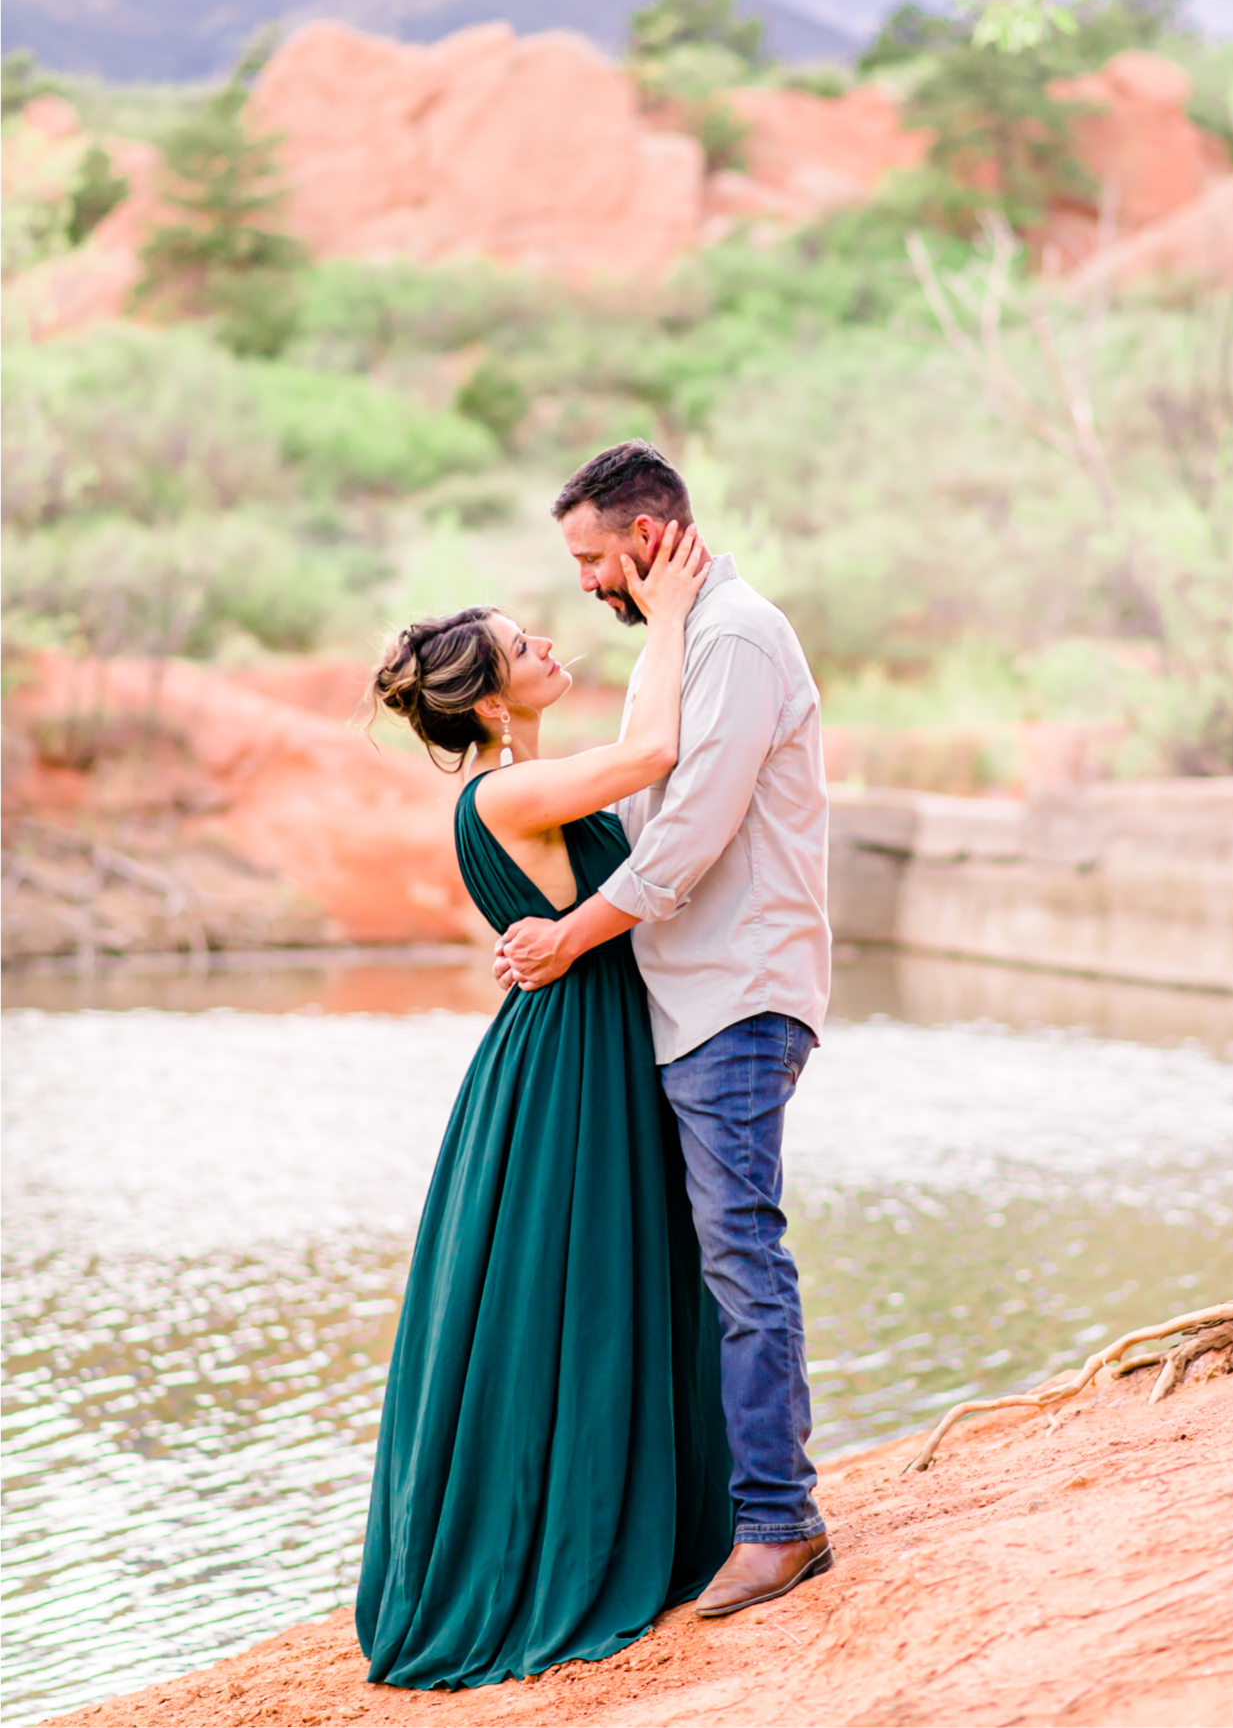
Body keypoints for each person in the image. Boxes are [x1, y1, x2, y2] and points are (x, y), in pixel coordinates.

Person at [355, 522, 735, 1690]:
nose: (548, 645)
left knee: (583, 1282)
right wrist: (670, 617)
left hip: (564, 1038)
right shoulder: (511, 790)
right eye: (525, 647)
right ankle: (574, 1545)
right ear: (484, 701)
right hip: (573, 1053)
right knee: (585, 1284)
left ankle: (632, 1517)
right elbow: (661, 744)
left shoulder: (505, 782)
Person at [496, 439, 833, 1621]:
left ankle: (782, 1523)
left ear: (645, 540)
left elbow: (686, 832)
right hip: (691, 994)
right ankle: (720, 1509)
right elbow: (635, 783)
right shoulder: (687, 643)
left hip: (736, 990)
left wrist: (575, 935)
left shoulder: (732, 637)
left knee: (741, 1250)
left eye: (593, 556)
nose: (584, 580)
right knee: (711, 1257)